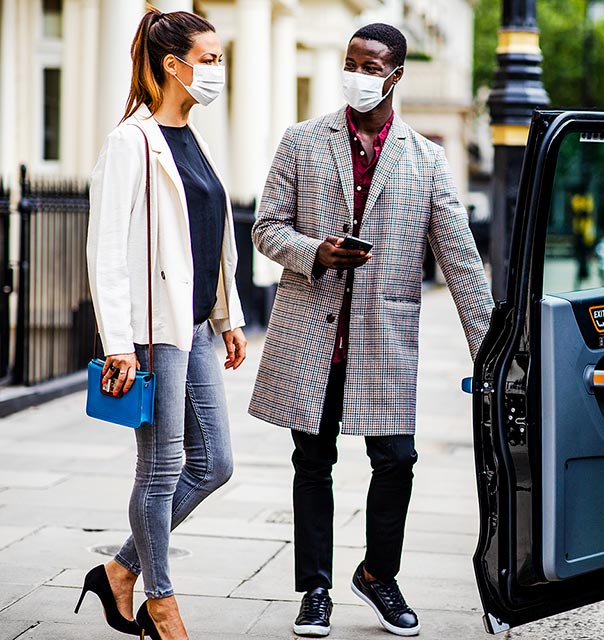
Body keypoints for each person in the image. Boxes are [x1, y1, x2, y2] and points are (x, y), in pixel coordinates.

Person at [249, 23, 493, 638]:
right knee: (312, 461)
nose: (358, 73)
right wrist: (316, 252)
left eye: (371, 64)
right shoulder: (303, 142)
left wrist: (491, 351)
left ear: (396, 74)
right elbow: (265, 228)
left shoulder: (427, 158)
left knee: (397, 460)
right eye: (351, 62)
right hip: (313, 339)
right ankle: (316, 590)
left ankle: (378, 576)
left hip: (384, 343)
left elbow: (460, 259)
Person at [80, 8, 246, 640]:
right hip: (153, 330)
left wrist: (226, 316)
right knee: (163, 467)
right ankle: (162, 600)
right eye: (209, 59)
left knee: (216, 464)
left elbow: (209, 236)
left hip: (197, 324)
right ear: (173, 65)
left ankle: (119, 570)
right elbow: (107, 250)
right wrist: (118, 344)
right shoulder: (131, 142)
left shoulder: (196, 136)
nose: (217, 71)